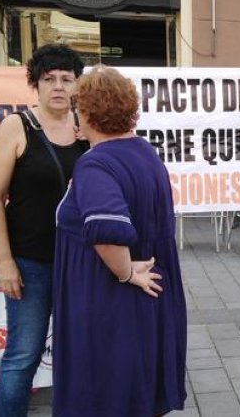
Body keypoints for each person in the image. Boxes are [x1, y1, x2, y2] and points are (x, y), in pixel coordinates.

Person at [53, 65, 187, 416]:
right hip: (147, 299)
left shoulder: (97, 164)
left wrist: (126, 272)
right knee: (138, 397)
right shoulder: (144, 152)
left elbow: (107, 228)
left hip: (110, 302)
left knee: (107, 398)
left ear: (86, 112)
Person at [0, 44, 88, 417]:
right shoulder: (17, 126)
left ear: (77, 85)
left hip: (80, 263)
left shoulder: (85, 127)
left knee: (81, 351)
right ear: (36, 84)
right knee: (23, 354)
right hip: (30, 263)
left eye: (66, 79)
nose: (58, 86)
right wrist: (4, 261)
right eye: (49, 79)